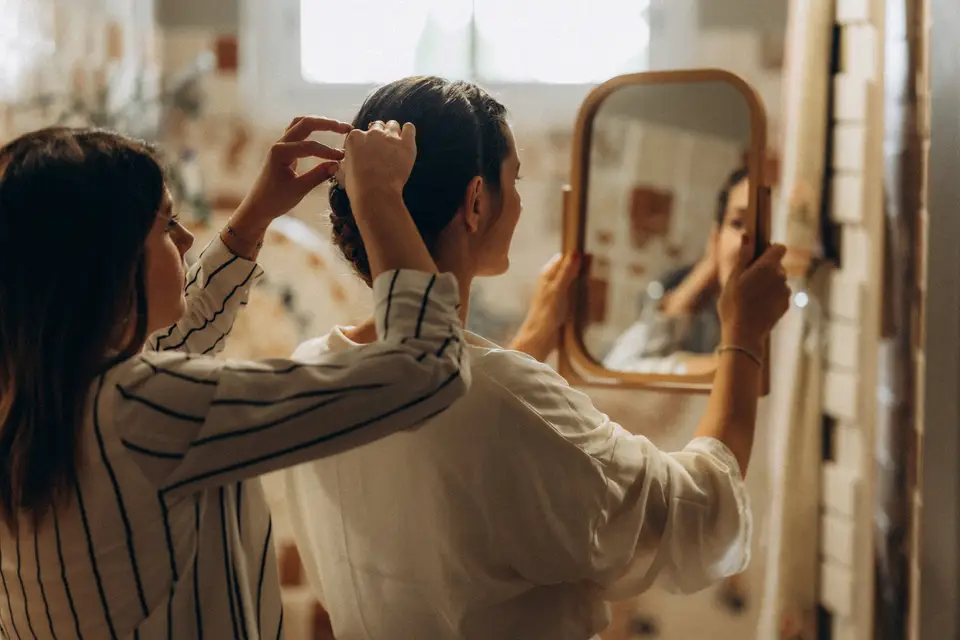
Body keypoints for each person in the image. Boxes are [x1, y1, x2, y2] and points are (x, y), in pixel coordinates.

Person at [281, 76, 791, 640]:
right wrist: (743, 335)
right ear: (476, 202)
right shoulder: (507, 402)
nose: (520, 201)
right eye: (515, 180)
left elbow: (453, 459)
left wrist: (532, 339)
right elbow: (699, 508)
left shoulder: (313, 369)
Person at [0, 118, 470, 639]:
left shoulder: (38, 392)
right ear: (102, 262)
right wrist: (381, 199)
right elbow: (426, 368)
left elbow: (177, 340)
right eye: (164, 225)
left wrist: (254, 219)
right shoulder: (141, 409)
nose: (184, 239)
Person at [603, 167, 750, 376]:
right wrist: (706, 268)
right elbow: (616, 370)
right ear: (716, 237)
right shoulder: (714, 328)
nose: (748, 242)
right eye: (738, 223)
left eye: (768, 228)